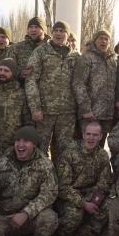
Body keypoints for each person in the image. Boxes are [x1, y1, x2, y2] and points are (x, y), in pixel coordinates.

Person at [25, 20, 79, 158]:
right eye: (56, 30)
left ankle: (61, 179)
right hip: (45, 111)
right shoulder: (41, 52)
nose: (58, 33)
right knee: (40, 150)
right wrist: (35, 108)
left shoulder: (75, 56)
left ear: (68, 35)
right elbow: (31, 80)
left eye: (62, 31)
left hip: (67, 113)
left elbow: (80, 83)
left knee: (64, 152)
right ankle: (42, 178)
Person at [53, 121, 112, 236]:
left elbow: (104, 182)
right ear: (83, 135)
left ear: (101, 136)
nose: (91, 138)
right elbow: (63, 187)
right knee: (74, 216)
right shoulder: (69, 153)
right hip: (69, 196)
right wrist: (84, 203)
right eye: (88, 134)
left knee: (109, 206)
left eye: (95, 135)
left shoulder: (102, 155)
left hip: (90, 194)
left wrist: (95, 199)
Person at [73, 28, 117, 139]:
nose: (104, 42)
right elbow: (78, 84)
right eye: (101, 39)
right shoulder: (86, 58)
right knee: (86, 145)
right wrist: (86, 109)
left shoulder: (112, 60)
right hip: (91, 114)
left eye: (106, 39)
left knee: (99, 148)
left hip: (107, 115)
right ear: (94, 41)